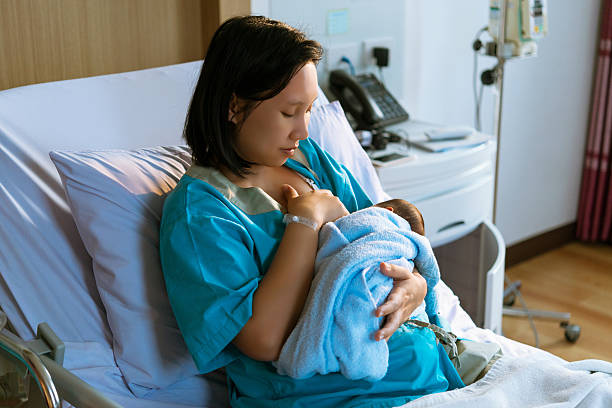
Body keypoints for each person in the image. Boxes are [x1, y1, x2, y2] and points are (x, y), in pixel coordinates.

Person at [159, 16, 463, 407]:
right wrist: (305, 220)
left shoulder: (308, 161)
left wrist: (415, 286)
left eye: (309, 111)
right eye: (290, 112)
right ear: (234, 106)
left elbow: (380, 241)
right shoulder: (201, 213)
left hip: (417, 372)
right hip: (320, 394)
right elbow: (264, 340)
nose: (303, 130)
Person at [275, 199, 447, 382]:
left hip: (419, 368)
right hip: (412, 371)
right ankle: (360, 356)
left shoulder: (374, 219)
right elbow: (430, 268)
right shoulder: (391, 230)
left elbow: (333, 238)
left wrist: (419, 286)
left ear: (388, 211)